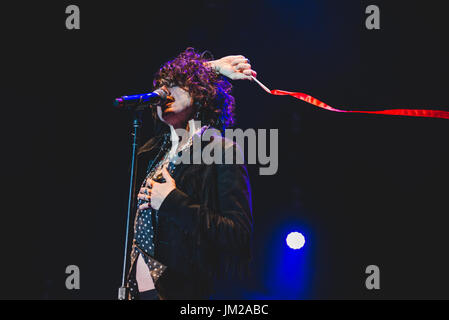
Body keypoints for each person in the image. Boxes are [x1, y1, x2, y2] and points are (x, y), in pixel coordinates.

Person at [126, 48, 256, 300]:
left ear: (200, 95)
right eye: (162, 88)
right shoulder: (154, 153)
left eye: (175, 86)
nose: (164, 93)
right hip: (138, 291)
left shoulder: (221, 150)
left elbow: (238, 236)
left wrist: (173, 201)